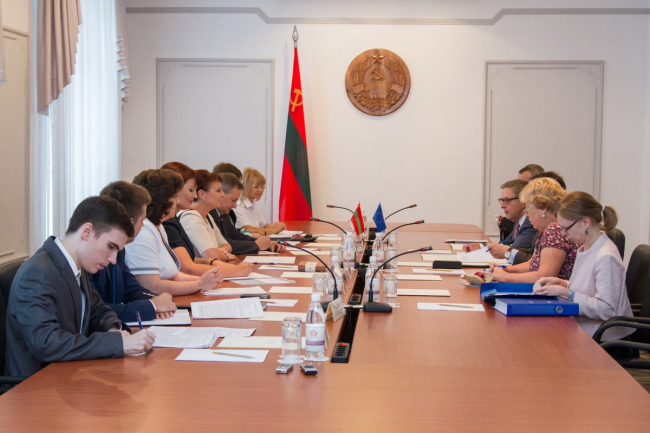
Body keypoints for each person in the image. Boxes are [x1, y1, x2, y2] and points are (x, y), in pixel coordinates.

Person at [5, 196, 156, 378]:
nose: (113, 259)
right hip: (37, 385)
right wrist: (118, 343)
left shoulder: (75, 266)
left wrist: (114, 330)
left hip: (70, 375)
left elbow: (99, 310)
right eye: (111, 247)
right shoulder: (37, 272)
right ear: (87, 231)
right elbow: (46, 343)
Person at [534, 192, 633, 341]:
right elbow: (591, 288)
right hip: (585, 330)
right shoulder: (586, 247)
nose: (563, 234)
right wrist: (563, 284)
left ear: (585, 222)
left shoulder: (606, 256)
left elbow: (607, 310)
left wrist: (567, 293)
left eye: (566, 228)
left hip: (606, 340)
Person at [126, 169, 222, 296]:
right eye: (175, 196)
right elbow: (151, 286)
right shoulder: (144, 232)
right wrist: (199, 284)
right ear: (162, 199)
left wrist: (204, 280)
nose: (178, 202)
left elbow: (173, 275)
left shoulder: (158, 227)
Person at [92, 181, 177, 322]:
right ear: (129, 222)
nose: (143, 225)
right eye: (142, 220)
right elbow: (97, 311)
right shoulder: (91, 256)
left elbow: (132, 290)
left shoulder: (120, 250)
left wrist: (158, 300)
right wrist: (152, 306)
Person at [161, 162, 251, 277]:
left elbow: (191, 259)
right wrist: (234, 270)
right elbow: (188, 266)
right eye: (191, 190)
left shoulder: (176, 218)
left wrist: (212, 261)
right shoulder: (182, 218)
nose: (194, 196)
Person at [491, 178, 579, 283]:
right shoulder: (546, 230)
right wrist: (506, 270)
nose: (527, 214)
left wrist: (504, 277)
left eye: (528, 209)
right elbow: (531, 264)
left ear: (544, 207)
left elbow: (544, 277)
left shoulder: (554, 232)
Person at [210, 173, 286, 254]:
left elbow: (235, 235)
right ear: (221, 195)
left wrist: (266, 244)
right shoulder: (210, 213)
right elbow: (224, 243)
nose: (235, 206)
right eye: (233, 200)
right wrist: (256, 245)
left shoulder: (224, 212)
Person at [464, 180, 537, 264]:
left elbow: (513, 252)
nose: (502, 206)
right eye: (502, 200)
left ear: (523, 201)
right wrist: (481, 247)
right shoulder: (518, 221)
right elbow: (504, 245)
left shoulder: (530, 223)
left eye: (507, 200)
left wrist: (482, 251)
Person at [178, 170, 240, 259]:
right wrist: (222, 253)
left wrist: (221, 251)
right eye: (218, 191)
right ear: (202, 194)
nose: (223, 195)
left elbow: (227, 246)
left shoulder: (208, 216)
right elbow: (211, 256)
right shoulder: (191, 217)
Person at [234, 167, 286, 235]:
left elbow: (265, 226)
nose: (260, 190)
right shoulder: (238, 206)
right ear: (246, 186)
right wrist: (274, 229)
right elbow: (249, 230)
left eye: (262, 187)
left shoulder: (253, 205)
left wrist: (279, 227)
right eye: (256, 186)